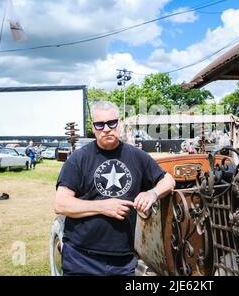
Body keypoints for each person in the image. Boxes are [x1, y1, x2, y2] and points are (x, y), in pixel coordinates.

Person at [54, 101, 175, 276]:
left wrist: (152, 193)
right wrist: (103, 207)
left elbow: (168, 180)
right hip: (81, 258)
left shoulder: (137, 156)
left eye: (112, 123)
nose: (107, 129)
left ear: (120, 124)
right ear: (93, 127)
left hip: (123, 261)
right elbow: (61, 204)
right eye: (100, 124)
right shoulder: (78, 159)